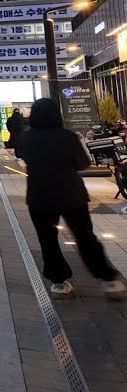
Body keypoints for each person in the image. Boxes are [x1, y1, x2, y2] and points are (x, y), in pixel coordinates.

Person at [15, 98, 126, 299]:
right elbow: (82, 163)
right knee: (85, 237)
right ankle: (109, 280)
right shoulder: (68, 137)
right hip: (71, 195)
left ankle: (58, 282)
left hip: (39, 197)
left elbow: (23, 156)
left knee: (47, 241)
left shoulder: (26, 138)